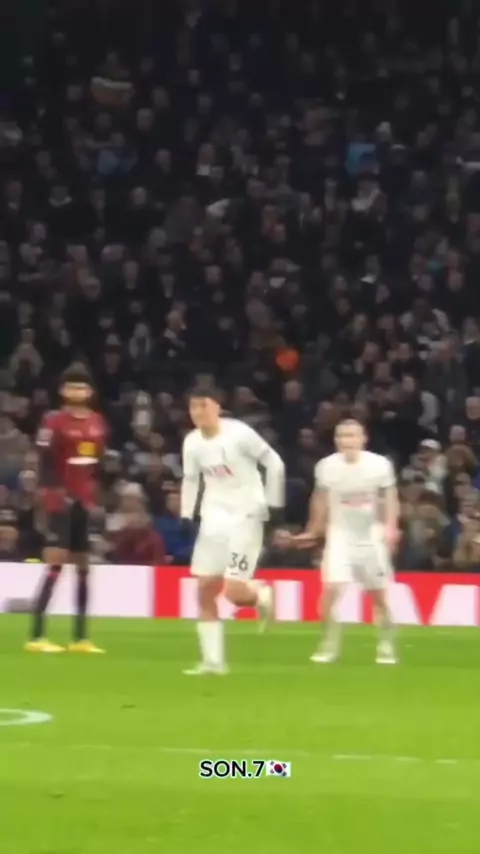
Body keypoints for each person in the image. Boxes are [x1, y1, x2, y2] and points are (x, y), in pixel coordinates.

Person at [180, 385, 285, 675]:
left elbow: (273, 462)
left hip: (246, 515)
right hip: (213, 518)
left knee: (234, 593)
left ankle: (259, 593)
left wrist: (275, 504)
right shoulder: (192, 442)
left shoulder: (239, 433)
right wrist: (186, 515)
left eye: (203, 405)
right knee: (205, 590)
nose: (198, 412)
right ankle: (213, 663)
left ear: (217, 406)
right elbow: (191, 479)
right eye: (193, 407)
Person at [289, 417, 400, 665]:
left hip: (371, 536)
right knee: (330, 591)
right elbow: (320, 499)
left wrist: (391, 528)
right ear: (336, 440)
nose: (347, 440)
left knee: (379, 597)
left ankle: (386, 644)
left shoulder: (379, 465)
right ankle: (329, 644)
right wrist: (313, 530)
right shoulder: (326, 466)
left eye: (352, 435)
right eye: (342, 436)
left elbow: (390, 498)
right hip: (340, 535)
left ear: (363, 439)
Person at [25, 362, 108, 653]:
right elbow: (45, 459)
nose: (76, 391)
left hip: (83, 501)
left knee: (83, 566)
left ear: (90, 392)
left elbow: (98, 461)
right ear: (63, 390)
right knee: (57, 561)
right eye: (72, 386)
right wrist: (55, 490)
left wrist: (96, 493)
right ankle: (36, 636)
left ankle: (80, 638)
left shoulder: (97, 421)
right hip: (60, 499)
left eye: (81, 386)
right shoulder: (53, 421)